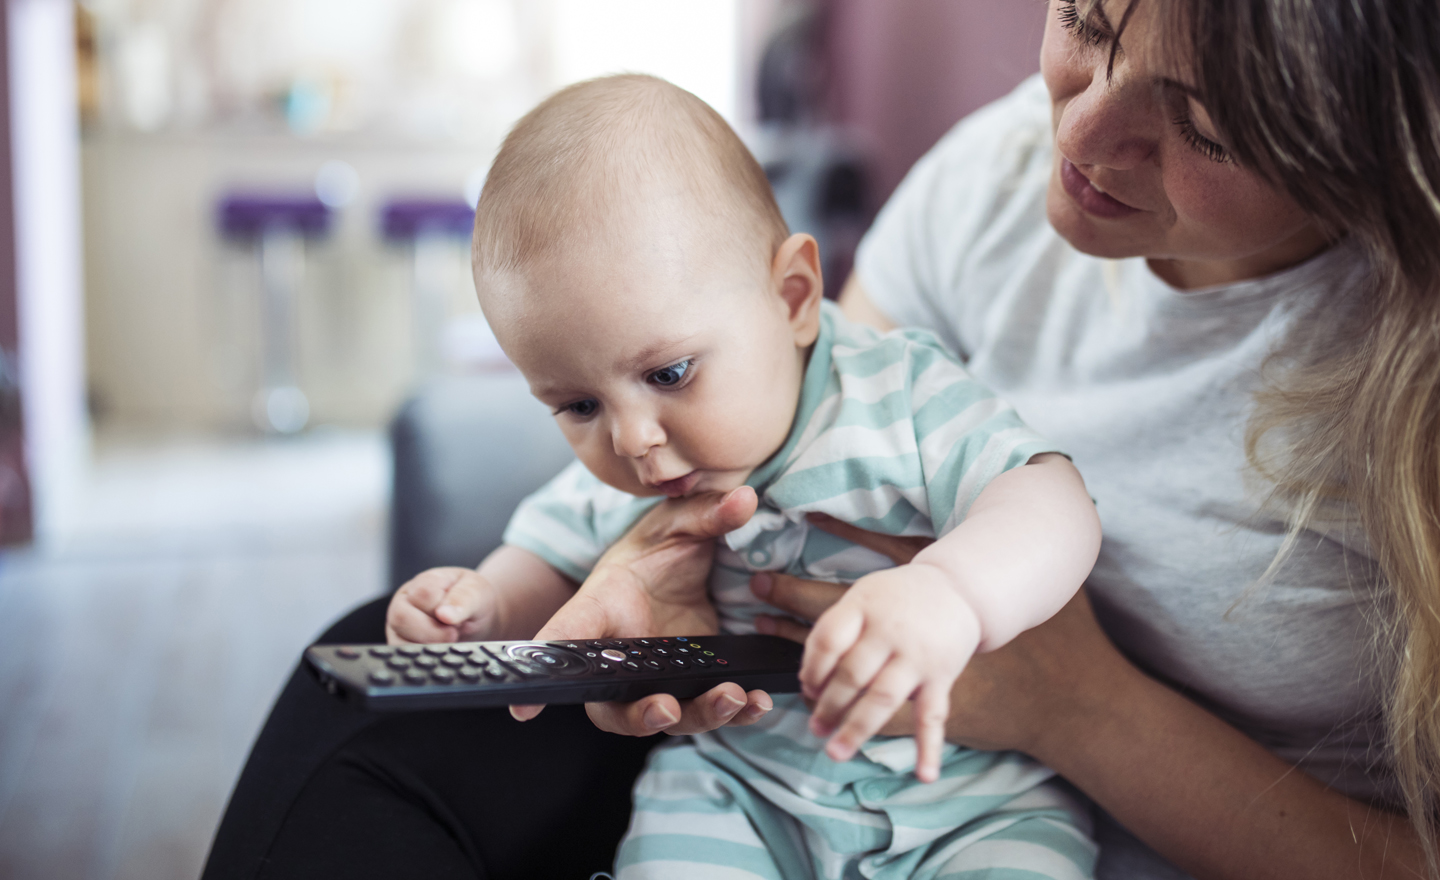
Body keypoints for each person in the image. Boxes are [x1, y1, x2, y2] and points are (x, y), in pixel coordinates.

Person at [202, 0, 1440, 877]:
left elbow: (1020, 489)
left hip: (1005, 806)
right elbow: (779, 412)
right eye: (1088, 20)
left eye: (1207, 124)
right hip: (760, 759)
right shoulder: (1002, 169)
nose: (1078, 133)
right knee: (372, 671)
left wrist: (1073, 703)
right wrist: (641, 571)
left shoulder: (1396, 369)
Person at [382, 72, 1102, 879]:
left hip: (969, 799)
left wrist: (954, 595)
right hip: (741, 787)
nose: (635, 440)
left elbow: (1053, 500)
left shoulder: (897, 393)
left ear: (792, 296)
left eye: (671, 373)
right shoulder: (627, 483)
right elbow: (548, 568)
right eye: (579, 404)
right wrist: (478, 610)